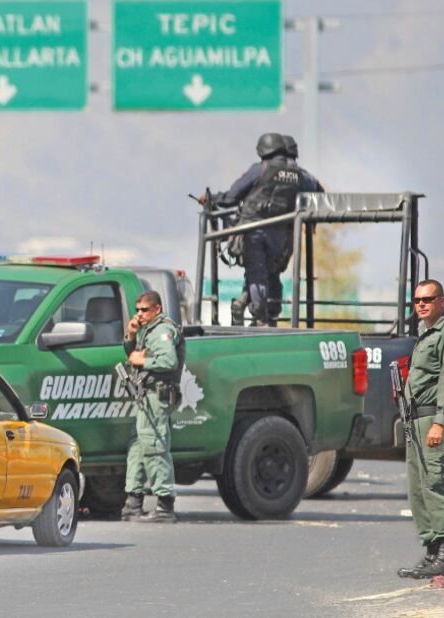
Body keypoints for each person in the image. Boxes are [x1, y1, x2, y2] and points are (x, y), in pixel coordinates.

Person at [199, 133, 324, 326]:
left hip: (254, 231)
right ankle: (263, 313)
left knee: (257, 275)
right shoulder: (301, 175)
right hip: (283, 234)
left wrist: (212, 199)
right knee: (271, 274)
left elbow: (232, 197)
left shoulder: (260, 170)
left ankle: (260, 318)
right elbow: (318, 194)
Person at [397, 279, 444, 579]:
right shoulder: (426, 334)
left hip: (432, 420)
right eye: (417, 301)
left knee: (438, 483)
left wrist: (440, 421)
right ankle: (431, 552)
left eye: (428, 299)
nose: (421, 304)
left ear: (442, 301)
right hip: (417, 420)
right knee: (419, 488)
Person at [120, 290, 185, 523]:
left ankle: (165, 505)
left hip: (157, 395)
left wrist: (142, 360)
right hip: (146, 395)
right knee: (138, 446)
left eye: (144, 310)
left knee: (155, 445)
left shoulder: (162, 331)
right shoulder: (148, 329)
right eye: (137, 310)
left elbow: (168, 361)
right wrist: (130, 334)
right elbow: (132, 353)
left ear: (157, 309)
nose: (140, 314)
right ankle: (133, 502)